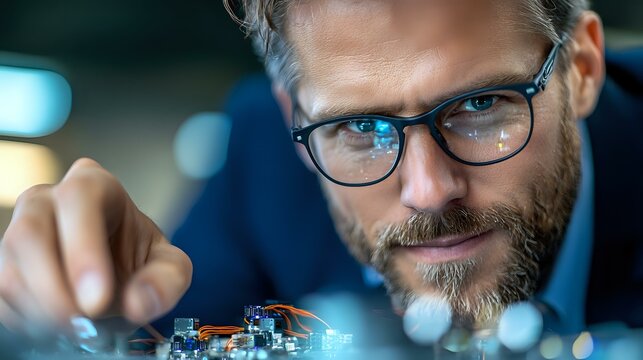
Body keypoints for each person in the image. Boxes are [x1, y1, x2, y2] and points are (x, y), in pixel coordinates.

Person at [1, 0, 642, 347]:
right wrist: (96, 317)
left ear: (581, 68)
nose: (427, 192)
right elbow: (168, 332)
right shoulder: (263, 158)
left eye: (480, 105)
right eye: (359, 128)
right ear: (294, 119)